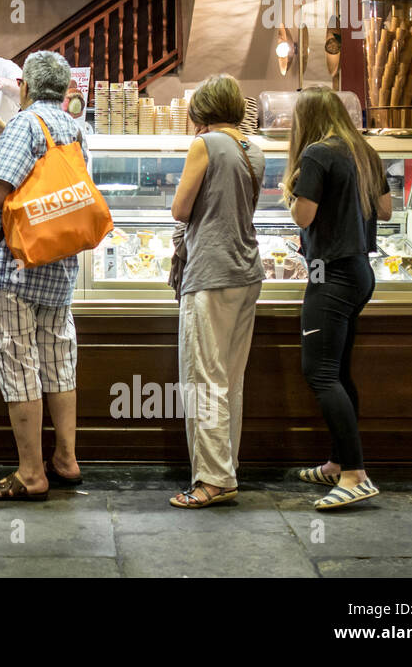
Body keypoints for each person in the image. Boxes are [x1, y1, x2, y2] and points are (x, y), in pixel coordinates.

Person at [0, 51, 85, 501]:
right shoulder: (73, 127)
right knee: (59, 363)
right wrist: (0, 124)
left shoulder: (25, 123)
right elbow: (41, 164)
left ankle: (31, 473)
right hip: (58, 265)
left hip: (14, 268)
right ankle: (66, 460)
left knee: (20, 367)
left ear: (27, 88)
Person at [283, 86, 392, 510]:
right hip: (360, 273)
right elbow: (384, 210)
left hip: (329, 276)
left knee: (320, 374)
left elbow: (304, 215)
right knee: (339, 371)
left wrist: (290, 191)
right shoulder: (363, 151)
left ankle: (355, 475)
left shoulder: (315, 154)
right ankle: (336, 461)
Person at [167, 75, 265, 508]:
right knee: (230, 380)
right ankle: (226, 467)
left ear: (201, 111)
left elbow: (180, 208)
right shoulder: (253, 149)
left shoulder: (205, 145)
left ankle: (212, 481)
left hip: (210, 271)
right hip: (246, 271)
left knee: (203, 381)